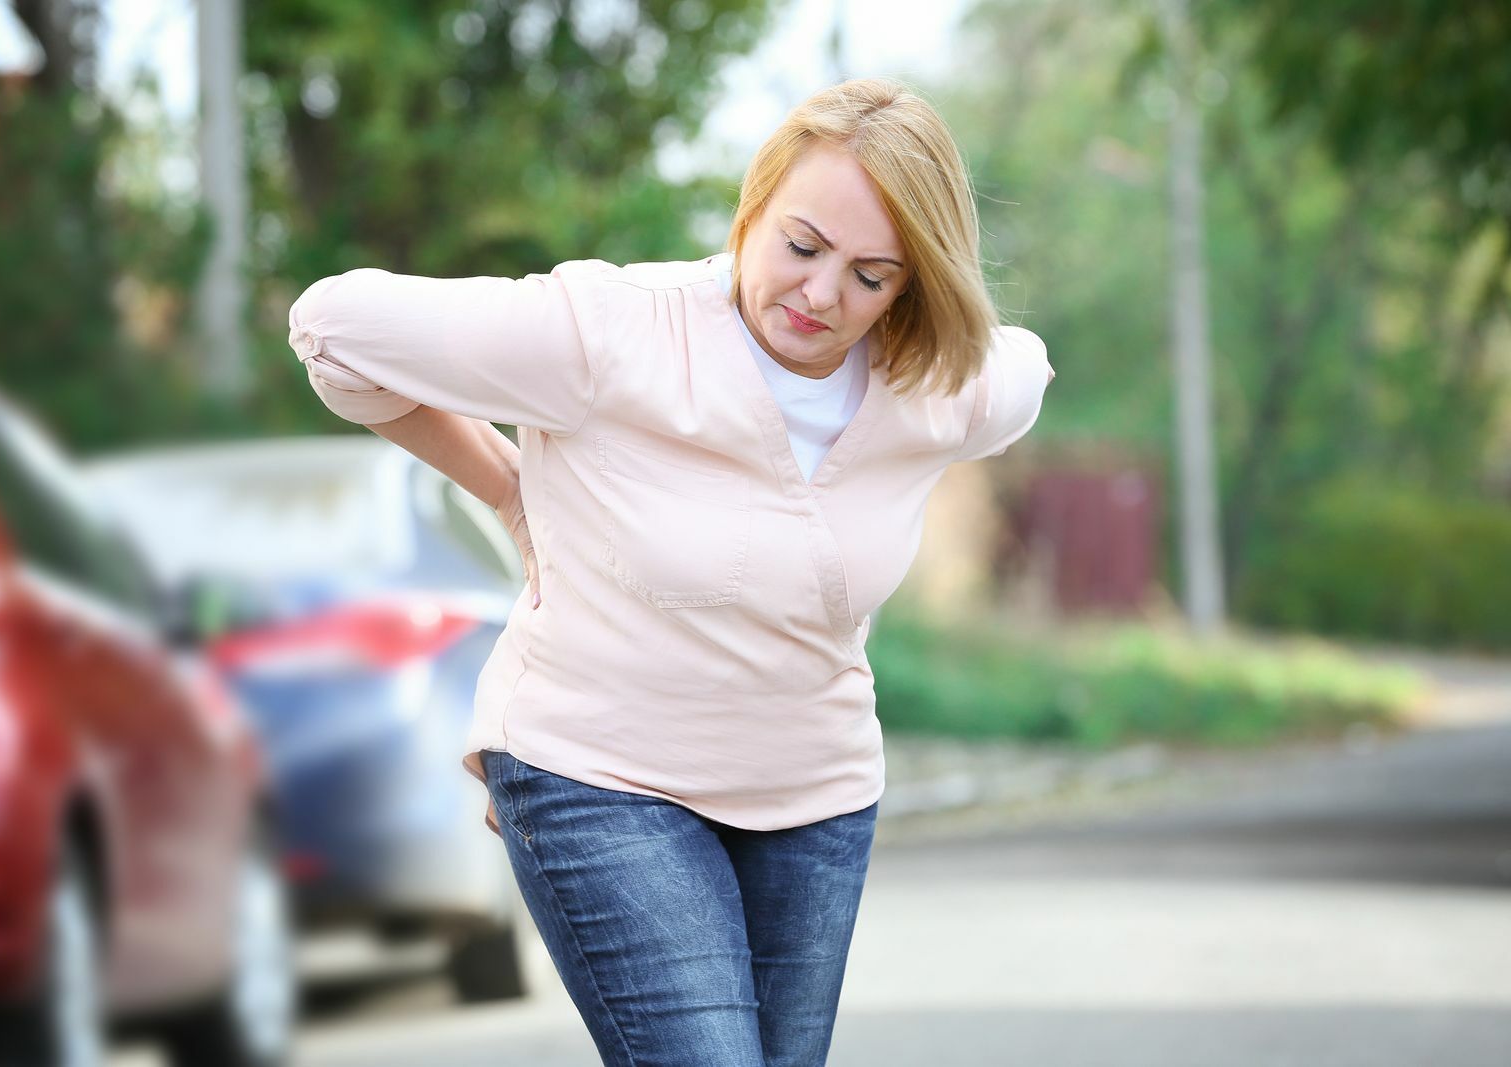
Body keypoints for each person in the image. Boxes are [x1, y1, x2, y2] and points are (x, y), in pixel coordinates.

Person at [286, 76, 1055, 1067]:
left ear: (912, 284)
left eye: (872, 275)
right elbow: (334, 331)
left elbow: (1022, 372)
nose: (822, 295)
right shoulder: (611, 332)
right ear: (756, 204)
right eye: (802, 245)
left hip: (813, 792)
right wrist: (509, 489)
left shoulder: (936, 385)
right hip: (602, 774)